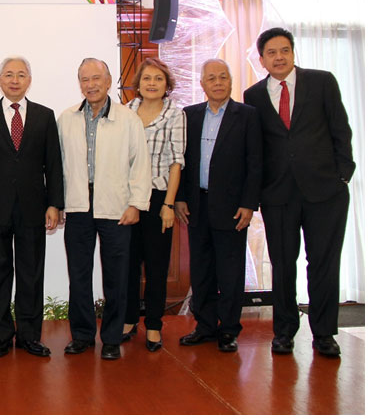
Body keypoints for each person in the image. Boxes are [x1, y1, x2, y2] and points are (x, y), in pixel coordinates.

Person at [243, 28, 354, 357]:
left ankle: (324, 333)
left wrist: (342, 176)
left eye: (285, 50)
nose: (279, 57)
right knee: (282, 265)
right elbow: (257, 149)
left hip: (326, 192)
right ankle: (284, 331)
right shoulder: (254, 96)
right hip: (279, 195)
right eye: (272, 52)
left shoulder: (322, 82)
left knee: (323, 262)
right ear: (261, 59)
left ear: (293, 53)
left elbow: (341, 129)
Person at [0, 56, 63, 358]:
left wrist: (55, 204)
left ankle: (30, 335)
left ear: (29, 80)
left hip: (34, 208)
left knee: (31, 273)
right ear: (0, 80)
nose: (15, 80)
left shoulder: (45, 116)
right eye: (9, 74)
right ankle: (1, 335)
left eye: (21, 75)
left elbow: (54, 166)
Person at [58, 58, 151, 360]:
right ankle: (82, 335)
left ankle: (112, 336)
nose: (91, 85)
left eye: (96, 78)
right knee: (79, 274)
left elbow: (140, 165)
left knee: (117, 276)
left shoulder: (128, 119)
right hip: (78, 205)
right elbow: (57, 166)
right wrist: (58, 204)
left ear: (109, 81)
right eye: (85, 79)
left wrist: (137, 203)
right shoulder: (67, 119)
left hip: (116, 206)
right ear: (79, 84)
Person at [175, 59, 262, 352]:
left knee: (230, 271)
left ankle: (229, 329)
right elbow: (182, 162)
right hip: (197, 202)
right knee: (201, 269)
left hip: (232, 207)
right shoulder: (190, 115)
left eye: (223, 77)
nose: (217, 82)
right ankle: (206, 326)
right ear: (202, 84)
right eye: (211, 78)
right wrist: (180, 198)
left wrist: (249, 204)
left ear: (231, 81)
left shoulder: (247, 115)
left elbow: (255, 163)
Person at [121, 58, 185, 352]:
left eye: (158, 79)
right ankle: (130, 318)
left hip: (159, 197)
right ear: (138, 83)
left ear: (166, 84)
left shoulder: (175, 114)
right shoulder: (126, 112)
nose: (151, 84)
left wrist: (169, 204)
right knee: (129, 263)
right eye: (147, 78)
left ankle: (155, 325)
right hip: (130, 197)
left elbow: (176, 162)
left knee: (157, 265)